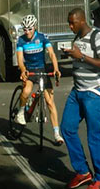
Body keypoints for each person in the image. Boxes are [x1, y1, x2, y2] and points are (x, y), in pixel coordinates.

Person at [61, 8, 100, 189]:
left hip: (94, 93)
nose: (70, 26)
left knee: (93, 135)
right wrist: (71, 55)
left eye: (72, 23)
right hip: (78, 91)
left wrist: (81, 56)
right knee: (67, 128)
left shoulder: (97, 37)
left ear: (82, 21)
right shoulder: (78, 38)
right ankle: (83, 172)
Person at [13, 14, 64, 145]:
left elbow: (52, 54)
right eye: (25, 29)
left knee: (50, 102)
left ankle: (57, 134)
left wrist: (56, 68)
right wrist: (23, 69)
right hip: (30, 70)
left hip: (42, 69)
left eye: (29, 29)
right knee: (26, 91)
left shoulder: (42, 37)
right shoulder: (21, 40)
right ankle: (21, 111)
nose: (27, 32)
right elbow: (19, 59)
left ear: (34, 27)